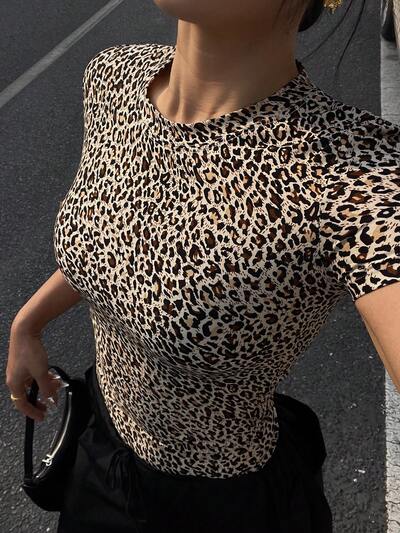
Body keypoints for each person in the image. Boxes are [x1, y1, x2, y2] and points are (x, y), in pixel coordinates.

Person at [6, 0, 400, 531]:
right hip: (98, 451)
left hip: (220, 504)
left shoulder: (354, 173)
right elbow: (119, 243)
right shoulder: (113, 77)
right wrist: (29, 322)